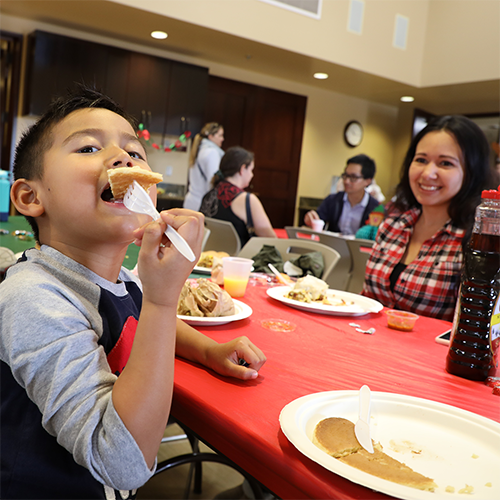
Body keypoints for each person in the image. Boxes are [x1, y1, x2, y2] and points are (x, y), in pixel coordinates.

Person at [0, 86, 266, 499]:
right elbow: (121, 464)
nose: (124, 159)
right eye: (88, 148)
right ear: (30, 197)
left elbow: (138, 317)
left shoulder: (125, 279)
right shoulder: (34, 296)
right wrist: (163, 298)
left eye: (135, 152)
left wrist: (207, 351)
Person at [362, 115, 493, 321]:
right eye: (421, 160)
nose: (428, 173)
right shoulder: (392, 226)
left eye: (445, 163)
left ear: (471, 172)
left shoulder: (478, 242)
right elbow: (367, 303)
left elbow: (479, 326)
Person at [200, 146, 275, 246]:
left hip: (210, 256)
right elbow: (271, 240)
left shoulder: (208, 196)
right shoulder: (248, 200)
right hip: (239, 258)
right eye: (251, 170)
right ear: (242, 169)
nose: (252, 175)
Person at [304, 154, 380, 235]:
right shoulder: (332, 200)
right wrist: (311, 220)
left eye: (353, 177)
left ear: (367, 181)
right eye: (346, 175)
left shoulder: (376, 208)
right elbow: (318, 220)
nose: (346, 181)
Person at [183, 122, 225, 211]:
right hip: (200, 204)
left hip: (191, 201)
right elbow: (213, 180)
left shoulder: (200, 149)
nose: (223, 139)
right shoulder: (212, 152)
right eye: (220, 135)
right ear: (211, 136)